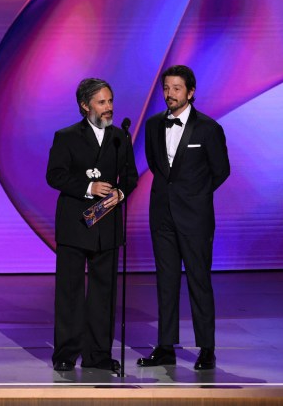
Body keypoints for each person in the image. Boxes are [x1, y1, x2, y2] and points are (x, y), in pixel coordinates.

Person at [137, 65, 230, 371]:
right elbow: (157, 166)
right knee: (165, 283)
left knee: (199, 282)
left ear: (190, 92)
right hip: (162, 216)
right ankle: (165, 346)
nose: (169, 94)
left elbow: (221, 171)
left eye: (176, 88)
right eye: (166, 88)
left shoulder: (208, 128)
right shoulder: (152, 126)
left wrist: (196, 196)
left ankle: (206, 348)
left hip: (195, 218)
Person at [46, 78, 138, 372]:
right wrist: (89, 187)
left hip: (107, 227)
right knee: (70, 292)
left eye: (110, 101)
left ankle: (98, 354)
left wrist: (118, 195)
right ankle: (65, 353)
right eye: (102, 102)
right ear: (85, 106)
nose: (108, 107)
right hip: (75, 224)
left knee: (103, 293)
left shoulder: (120, 137)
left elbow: (131, 177)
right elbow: (55, 176)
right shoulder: (67, 136)